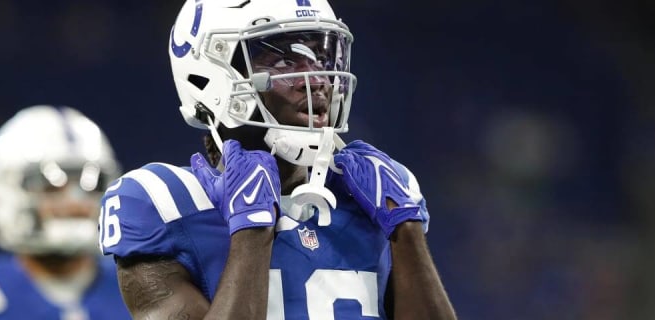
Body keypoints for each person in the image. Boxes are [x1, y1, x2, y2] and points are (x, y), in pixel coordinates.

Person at [100, 0, 457, 319]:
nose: (318, 79)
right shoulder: (162, 202)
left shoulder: (376, 197)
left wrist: (406, 230)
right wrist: (252, 232)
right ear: (211, 76)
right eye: (285, 59)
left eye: (321, 56)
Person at [0, 105, 132, 319]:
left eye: (91, 185)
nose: (75, 203)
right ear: (5, 193)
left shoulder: (140, 282)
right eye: (51, 187)